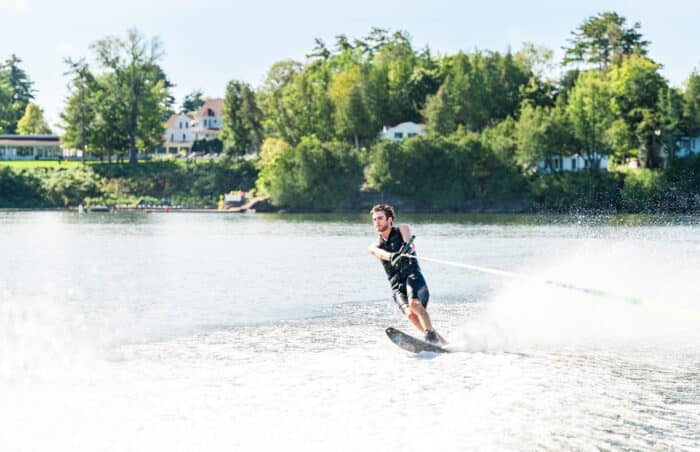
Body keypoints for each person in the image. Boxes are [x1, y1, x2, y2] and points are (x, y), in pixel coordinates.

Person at [368, 204, 446, 345]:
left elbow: (409, 243)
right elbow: (380, 253)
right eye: (374, 219)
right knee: (410, 314)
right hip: (397, 286)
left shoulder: (402, 229)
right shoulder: (374, 246)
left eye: (380, 218)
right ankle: (443, 343)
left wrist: (407, 248)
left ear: (389, 219)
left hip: (412, 277)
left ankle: (430, 337)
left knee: (415, 305)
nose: (377, 222)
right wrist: (392, 256)